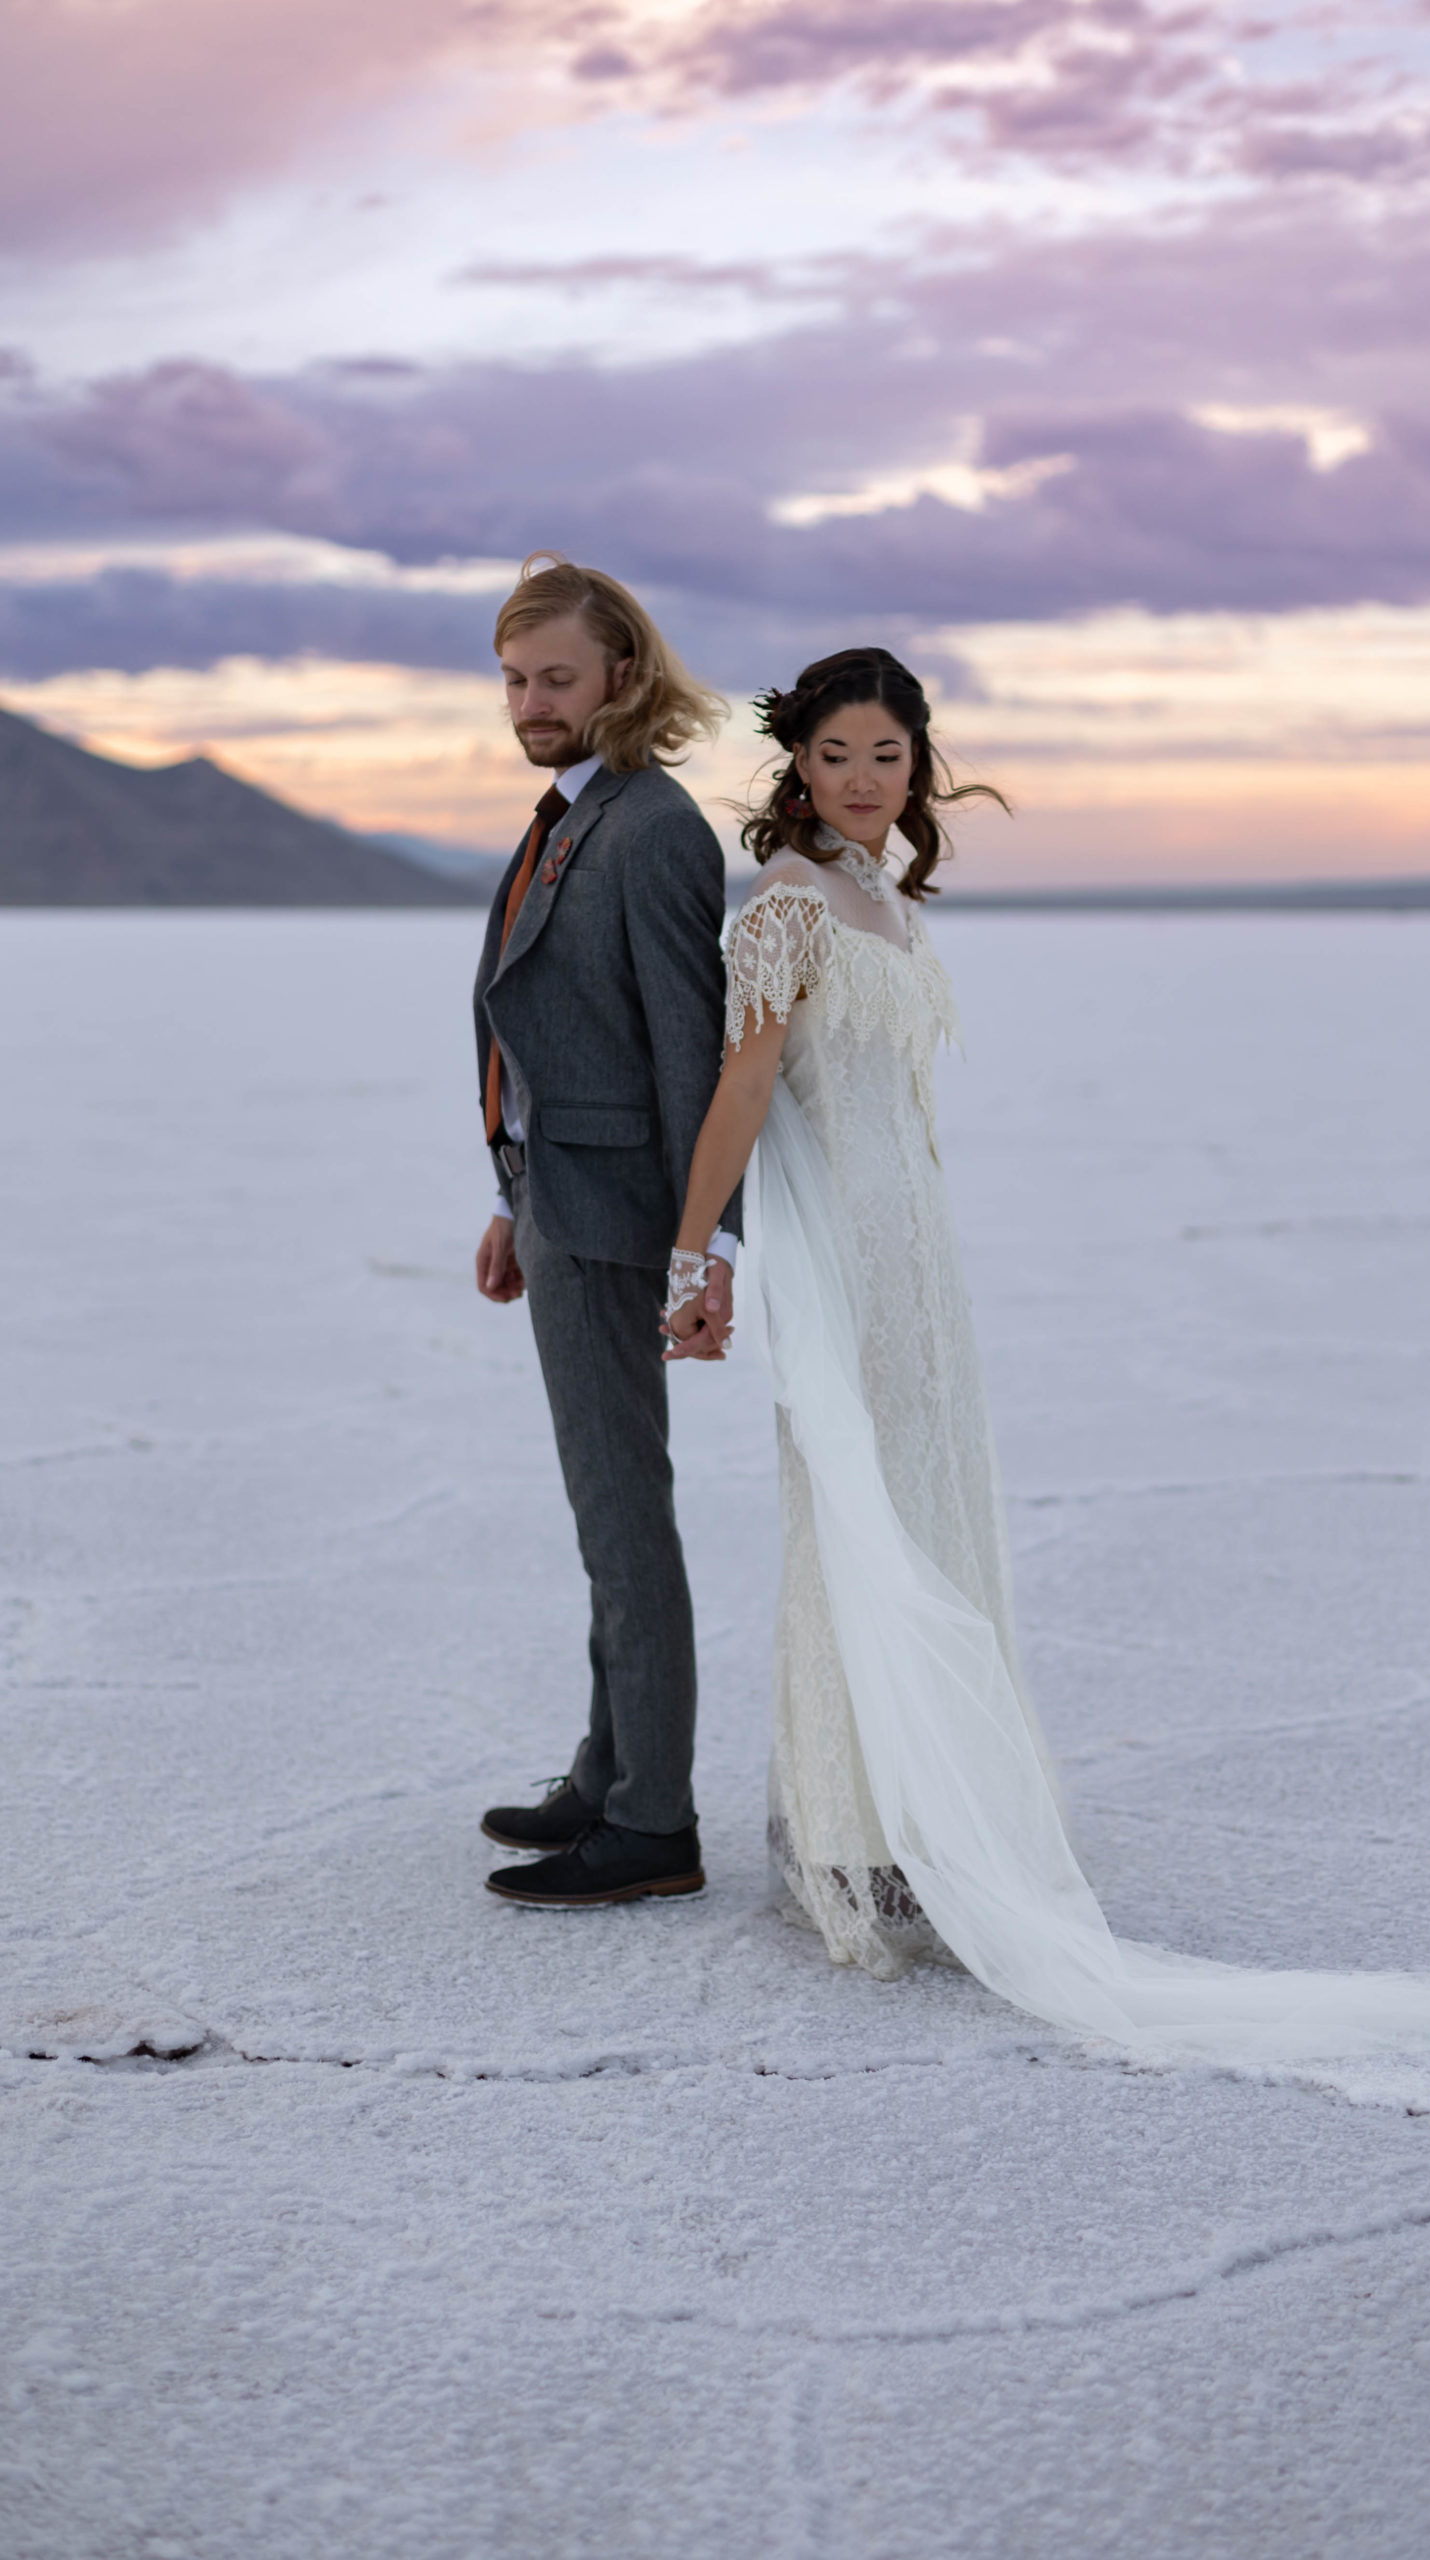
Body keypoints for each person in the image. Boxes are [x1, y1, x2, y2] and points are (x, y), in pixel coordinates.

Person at [662, 645, 1430, 2066]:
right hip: (842, 1260)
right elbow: (746, 1083)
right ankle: (853, 1841)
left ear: (919, 765)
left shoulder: (885, 899)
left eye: (888, 758)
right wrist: (697, 1256)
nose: (865, 783)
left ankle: (924, 1827)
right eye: (836, 758)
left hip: (920, 1249)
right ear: (797, 767)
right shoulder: (784, 903)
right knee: (857, 1522)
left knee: (932, 1516)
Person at [473, 553, 740, 1911]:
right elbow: (550, 1032)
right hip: (561, 1202)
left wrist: (707, 1254)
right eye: (516, 679)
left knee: (626, 1518)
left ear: (623, 676)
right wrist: (513, 1199)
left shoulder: (652, 831)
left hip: (625, 1214)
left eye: (556, 678)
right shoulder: (576, 813)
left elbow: (694, 1058)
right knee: (604, 1513)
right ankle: (606, 1770)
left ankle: (653, 1821)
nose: (530, 702)